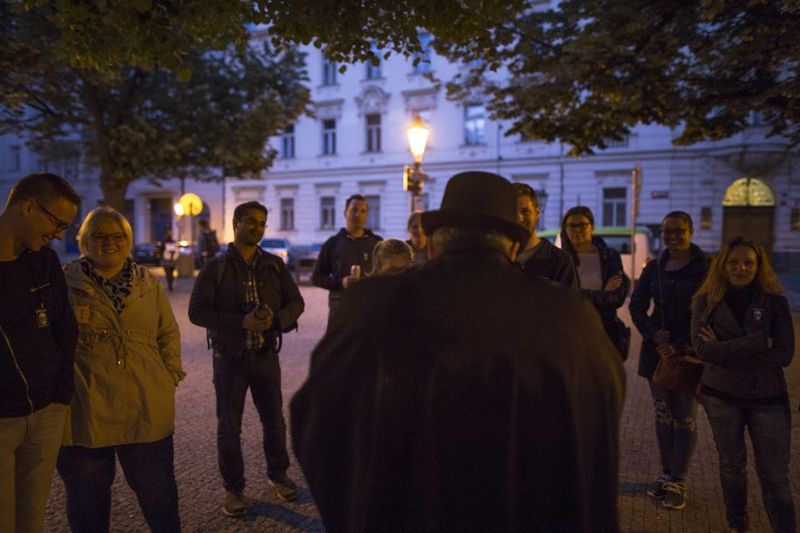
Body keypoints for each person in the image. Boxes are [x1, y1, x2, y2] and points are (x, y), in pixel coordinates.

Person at [292, 171, 625, 533]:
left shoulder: (371, 305)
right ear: (513, 248)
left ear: (432, 244)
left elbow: (317, 426)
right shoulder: (569, 316)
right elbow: (601, 418)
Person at [57, 206, 185, 533]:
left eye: (117, 237)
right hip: (86, 408)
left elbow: (167, 332)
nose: (109, 243)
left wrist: (168, 376)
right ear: (85, 240)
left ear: (127, 240)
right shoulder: (63, 282)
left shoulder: (148, 284)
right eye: (99, 236)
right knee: (88, 498)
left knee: (158, 495)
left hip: (145, 405)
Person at [188, 201, 305, 517]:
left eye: (262, 223)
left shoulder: (273, 265)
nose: (257, 228)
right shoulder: (217, 267)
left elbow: (297, 302)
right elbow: (196, 312)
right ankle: (234, 489)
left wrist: (275, 320)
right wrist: (241, 322)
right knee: (229, 427)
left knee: (274, 422)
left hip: (266, 356)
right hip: (230, 359)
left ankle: (278, 475)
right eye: (251, 221)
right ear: (236, 223)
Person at [691, 237, 795, 533]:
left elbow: (785, 354)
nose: (741, 268)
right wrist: (759, 343)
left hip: (768, 397)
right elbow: (702, 350)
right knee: (732, 467)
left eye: (749, 262)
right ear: (722, 265)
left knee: (775, 475)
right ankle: (738, 526)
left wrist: (725, 349)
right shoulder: (705, 301)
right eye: (734, 262)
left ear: (759, 266)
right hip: (721, 396)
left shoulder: (774, 301)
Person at [0, 172, 80, 533]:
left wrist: (60, 397)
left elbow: (65, 329)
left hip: (46, 413)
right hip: (2, 420)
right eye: (57, 222)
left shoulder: (43, 261)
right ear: (28, 206)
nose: (61, 235)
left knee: (30, 520)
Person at [629, 211, 708, 510]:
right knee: (663, 415)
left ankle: (680, 479)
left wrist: (680, 344)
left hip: (688, 353)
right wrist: (653, 334)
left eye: (679, 231)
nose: (673, 237)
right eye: (667, 232)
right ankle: (665, 474)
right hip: (657, 353)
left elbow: (710, 313)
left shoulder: (705, 269)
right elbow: (637, 307)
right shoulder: (654, 268)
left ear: (690, 231)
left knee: (685, 417)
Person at [561, 206, 630, 360]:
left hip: (603, 333)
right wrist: (602, 294)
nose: (577, 230)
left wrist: (576, 294)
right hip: (570, 335)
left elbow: (616, 298)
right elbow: (561, 299)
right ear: (565, 229)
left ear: (591, 227)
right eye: (572, 225)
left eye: (582, 225)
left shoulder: (609, 256)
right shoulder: (560, 259)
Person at [311, 194, 382, 325]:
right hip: (340, 312)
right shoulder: (332, 244)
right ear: (345, 212)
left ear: (367, 214)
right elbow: (316, 278)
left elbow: (385, 276)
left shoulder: (377, 243)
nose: (358, 215)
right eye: (354, 210)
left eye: (363, 211)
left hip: (369, 311)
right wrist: (341, 283)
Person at [512, 183, 577, 289]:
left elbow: (571, 303)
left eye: (525, 212)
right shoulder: (499, 258)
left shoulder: (560, 260)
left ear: (537, 213)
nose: (519, 218)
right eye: (513, 212)